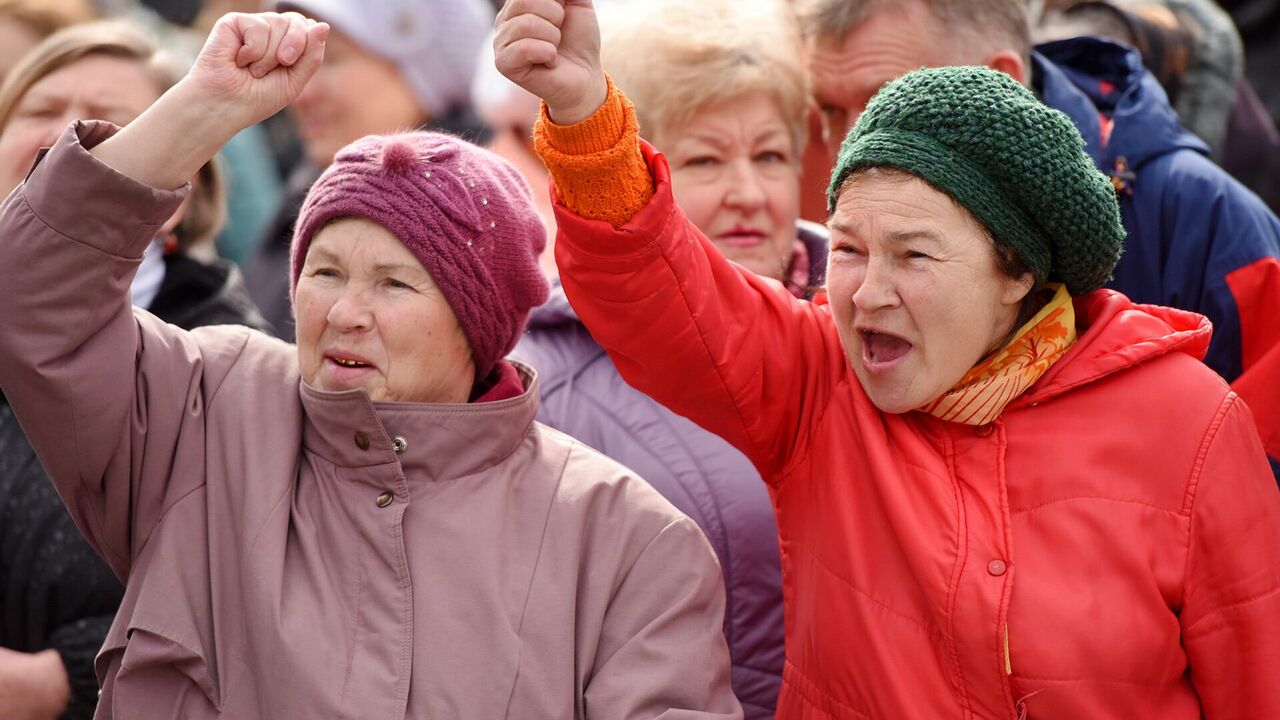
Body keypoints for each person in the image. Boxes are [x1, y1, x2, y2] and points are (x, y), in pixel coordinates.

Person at [495, 1, 1280, 717]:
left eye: (913, 255)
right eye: (847, 248)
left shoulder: (1191, 421)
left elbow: (1256, 678)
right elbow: (662, 291)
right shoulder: (818, 385)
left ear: (1017, 274)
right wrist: (582, 111)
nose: (867, 294)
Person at [0, 11, 739, 720]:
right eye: (323, 273)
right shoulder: (204, 415)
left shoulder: (626, 540)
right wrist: (202, 109)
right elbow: (31, 298)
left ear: (476, 321)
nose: (345, 313)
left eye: (393, 283)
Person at [797, 0, 1280, 476]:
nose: (852, 141)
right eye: (829, 110)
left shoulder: (1202, 212)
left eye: (890, 97)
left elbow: (1253, 483)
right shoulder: (838, 197)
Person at [513, 1, 818, 715]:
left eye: (770, 155)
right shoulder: (540, 382)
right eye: (706, 159)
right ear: (636, 172)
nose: (748, 193)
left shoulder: (878, 332)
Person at [0, 20, 273, 720]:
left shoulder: (228, 366)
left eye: (104, 125)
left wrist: (64, 680)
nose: (61, 138)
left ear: (183, 184)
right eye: (38, 110)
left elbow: (236, 600)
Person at [246, 0, 494, 340]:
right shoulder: (310, 187)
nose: (300, 93)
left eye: (329, 60)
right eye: (297, 60)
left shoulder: (474, 226)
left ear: (425, 76)